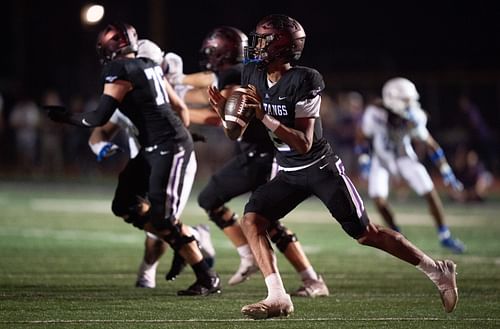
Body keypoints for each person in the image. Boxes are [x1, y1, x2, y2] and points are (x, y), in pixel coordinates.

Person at [208, 14, 458, 319]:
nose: (256, 46)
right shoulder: (252, 74)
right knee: (253, 219)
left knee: (366, 233)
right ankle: (278, 297)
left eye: (264, 40)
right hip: (288, 172)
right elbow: (240, 131)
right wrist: (227, 115)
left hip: (319, 168)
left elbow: (304, 142)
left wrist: (263, 115)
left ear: (282, 47)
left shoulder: (305, 79)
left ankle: (437, 271)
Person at [45, 22, 220, 296]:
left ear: (108, 47)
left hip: (168, 148)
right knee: (124, 203)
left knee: (163, 220)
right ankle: (185, 240)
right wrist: (181, 131)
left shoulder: (119, 69)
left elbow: (98, 117)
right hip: (154, 148)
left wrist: (65, 116)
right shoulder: (149, 67)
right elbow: (180, 108)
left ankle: (206, 276)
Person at [169, 26, 328, 297]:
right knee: (265, 220)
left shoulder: (238, 74)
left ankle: (251, 256)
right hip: (260, 154)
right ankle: (311, 279)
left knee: (212, 200)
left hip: (261, 156)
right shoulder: (243, 71)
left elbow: (221, 116)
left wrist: (177, 104)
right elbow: (208, 79)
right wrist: (179, 82)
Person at [88, 106, 216, 288]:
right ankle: (194, 234)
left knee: (161, 224)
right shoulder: (122, 98)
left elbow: (187, 106)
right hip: (142, 167)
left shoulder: (162, 90)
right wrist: (101, 146)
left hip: (173, 163)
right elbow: (100, 130)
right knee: (126, 206)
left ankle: (148, 272)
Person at [356, 78, 466, 254]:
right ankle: (397, 234)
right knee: (378, 198)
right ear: (392, 99)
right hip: (382, 159)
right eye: (406, 100)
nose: (411, 104)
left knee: (429, 192)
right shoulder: (375, 114)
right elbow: (361, 136)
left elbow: (430, 144)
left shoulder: (414, 117)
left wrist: (446, 171)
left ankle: (445, 235)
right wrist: (364, 159)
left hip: (404, 156)